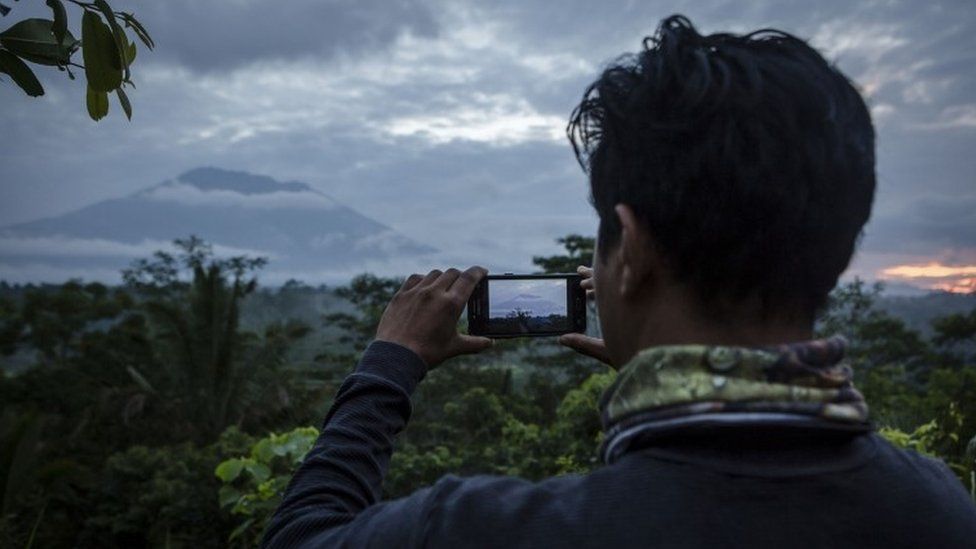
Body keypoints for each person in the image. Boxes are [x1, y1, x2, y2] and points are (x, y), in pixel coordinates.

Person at [262, 14, 976, 548]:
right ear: (839, 246)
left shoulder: (482, 529)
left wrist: (390, 364)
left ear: (629, 249)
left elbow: (302, 534)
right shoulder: (940, 508)